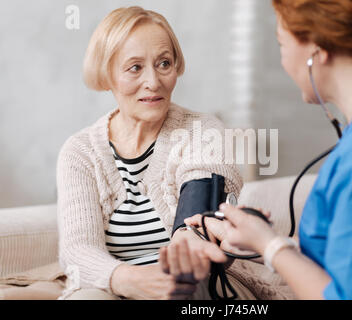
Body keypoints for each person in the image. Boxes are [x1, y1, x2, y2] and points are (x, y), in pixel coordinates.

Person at [161, 0, 352, 299]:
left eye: (282, 45)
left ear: (316, 50)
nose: (284, 62)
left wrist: (271, 247)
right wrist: (260, 241)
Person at [56, 6, 254, 300]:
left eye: (164, 63)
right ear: (107, 74)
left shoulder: (203, 131)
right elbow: (77, 251)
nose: (154, 81)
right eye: (135, 67)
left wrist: (189, 239)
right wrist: (129, 280)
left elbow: (201, 193)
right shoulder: (80, 152)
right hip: (117, 287)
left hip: (198, 285)